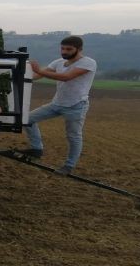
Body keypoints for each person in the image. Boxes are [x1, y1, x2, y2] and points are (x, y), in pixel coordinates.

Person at [20, 35, 97, 175]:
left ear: (79, 49)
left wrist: (39, 70)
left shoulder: (88, 63)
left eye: (69, 49)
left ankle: (69, 166)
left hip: (76, 106)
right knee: (27, 119)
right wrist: (20, 77)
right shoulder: (58, 62)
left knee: (73, 136)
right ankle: (37, 149)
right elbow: (38, 76)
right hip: (57, 103)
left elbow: (66, 77)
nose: (64, 51)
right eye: (62, 48)